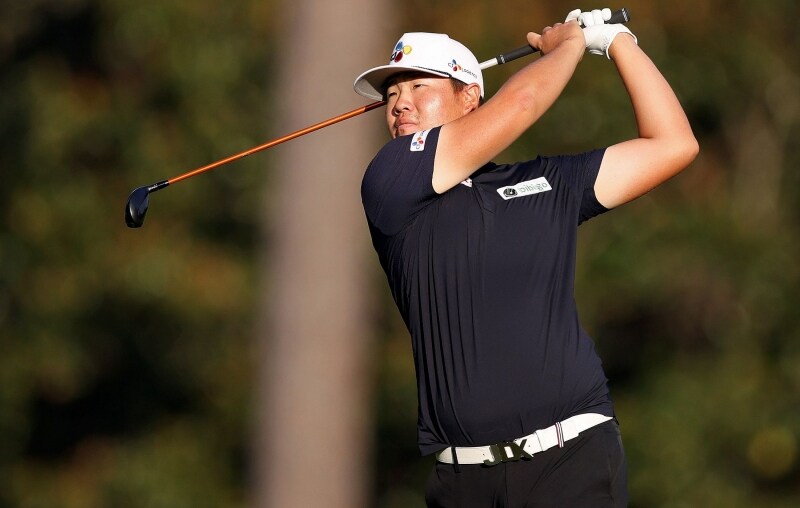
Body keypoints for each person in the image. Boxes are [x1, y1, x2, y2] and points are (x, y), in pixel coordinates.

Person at [353, 7, 698, 507]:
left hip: (572, 459)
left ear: (470, 96)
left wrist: (616, 41)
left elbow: (673, 144)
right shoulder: (391, 181)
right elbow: (523, 102)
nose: (400, 105)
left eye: (419, 87)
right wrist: (570, 45)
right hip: (462, 481)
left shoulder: (544, 183)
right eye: (391, 95)